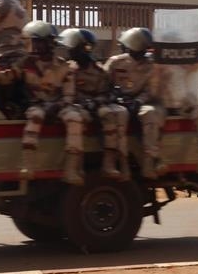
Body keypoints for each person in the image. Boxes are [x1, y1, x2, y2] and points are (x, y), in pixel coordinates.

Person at [19, 21, 84, 185]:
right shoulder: (25, 64)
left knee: (75, 118)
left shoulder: (64, 66)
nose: (37, 46)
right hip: (36, 104)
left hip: (58, 105)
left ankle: (70, 170)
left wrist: (56, 106)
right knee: (35, 116)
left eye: (41, 42)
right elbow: (13, 83)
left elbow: (69, 95)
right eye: (36, 42)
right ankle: (28, 166)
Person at [60, 28, 130, 180]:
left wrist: (94, 102)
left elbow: (106, 92)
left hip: (95, 106)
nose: (70, 50)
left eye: (74, 46)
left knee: (111, 114)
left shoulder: (98, 70)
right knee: (76, 118)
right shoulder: (67, 69)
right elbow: (65, 95)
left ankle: (109, 163)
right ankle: (75, 167)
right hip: (74, 107)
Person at [104, 27, 166, 179]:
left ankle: (150, 162)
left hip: (140, 102)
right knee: (117, 116)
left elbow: (151, 90)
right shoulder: (115, 62)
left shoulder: (151, 65)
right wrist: (114, 97)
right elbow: (104, 83)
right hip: (117, 102)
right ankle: (120, 163)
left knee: (150, 114)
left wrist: (138, 101)